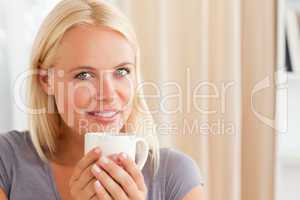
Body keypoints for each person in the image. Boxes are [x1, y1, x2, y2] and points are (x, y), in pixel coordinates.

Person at [0, 0, 204, 199]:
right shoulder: (7, 161)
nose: (108, 94)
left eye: (122, 71)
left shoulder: (175, 176)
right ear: (46, 80)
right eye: (84, 75)